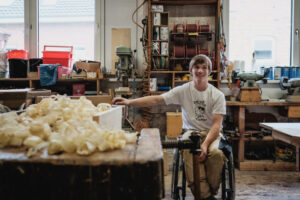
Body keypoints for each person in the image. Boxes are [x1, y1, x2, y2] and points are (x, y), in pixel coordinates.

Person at [113, 54, 226, 200]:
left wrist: (205, 145)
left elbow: (217, 124)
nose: (200, 71)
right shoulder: (183, 90)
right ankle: (204, 196)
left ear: (209, 72)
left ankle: (211, 190)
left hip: (212, 133)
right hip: (190, 132)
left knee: (216, 154)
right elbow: (157, 99)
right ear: (190, 71)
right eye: (196, 67)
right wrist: (129, 102)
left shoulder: (217, 95)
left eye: (204, 68)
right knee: (189, 151)